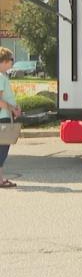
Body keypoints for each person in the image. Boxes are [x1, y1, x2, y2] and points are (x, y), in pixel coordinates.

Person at [0, 47, 22, 188]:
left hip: (4, 115)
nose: (12, 64)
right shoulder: (1, 77)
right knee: (2, 149)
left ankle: (1, 178)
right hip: (3, 117)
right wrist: (13, 108)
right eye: (11, 60)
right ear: (5, 61)